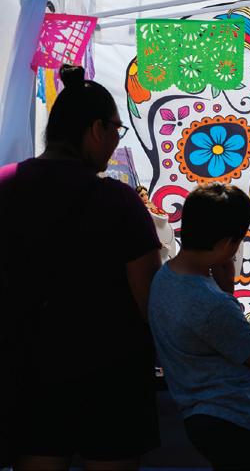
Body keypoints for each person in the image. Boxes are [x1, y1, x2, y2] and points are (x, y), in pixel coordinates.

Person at [0, 65, 162, 469]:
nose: (115, 142)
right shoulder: (118, 202)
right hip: (110, 375)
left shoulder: (5, 185)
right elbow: (149, 300)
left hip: (27, 371)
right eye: (116, 130)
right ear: (96, 130)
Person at [149, 183, 250, 470]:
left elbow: (212, 338)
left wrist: (226, 290)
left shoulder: (164, 278)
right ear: (226, 244)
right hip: (230, 419)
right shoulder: (211, 303)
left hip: (202, 419)